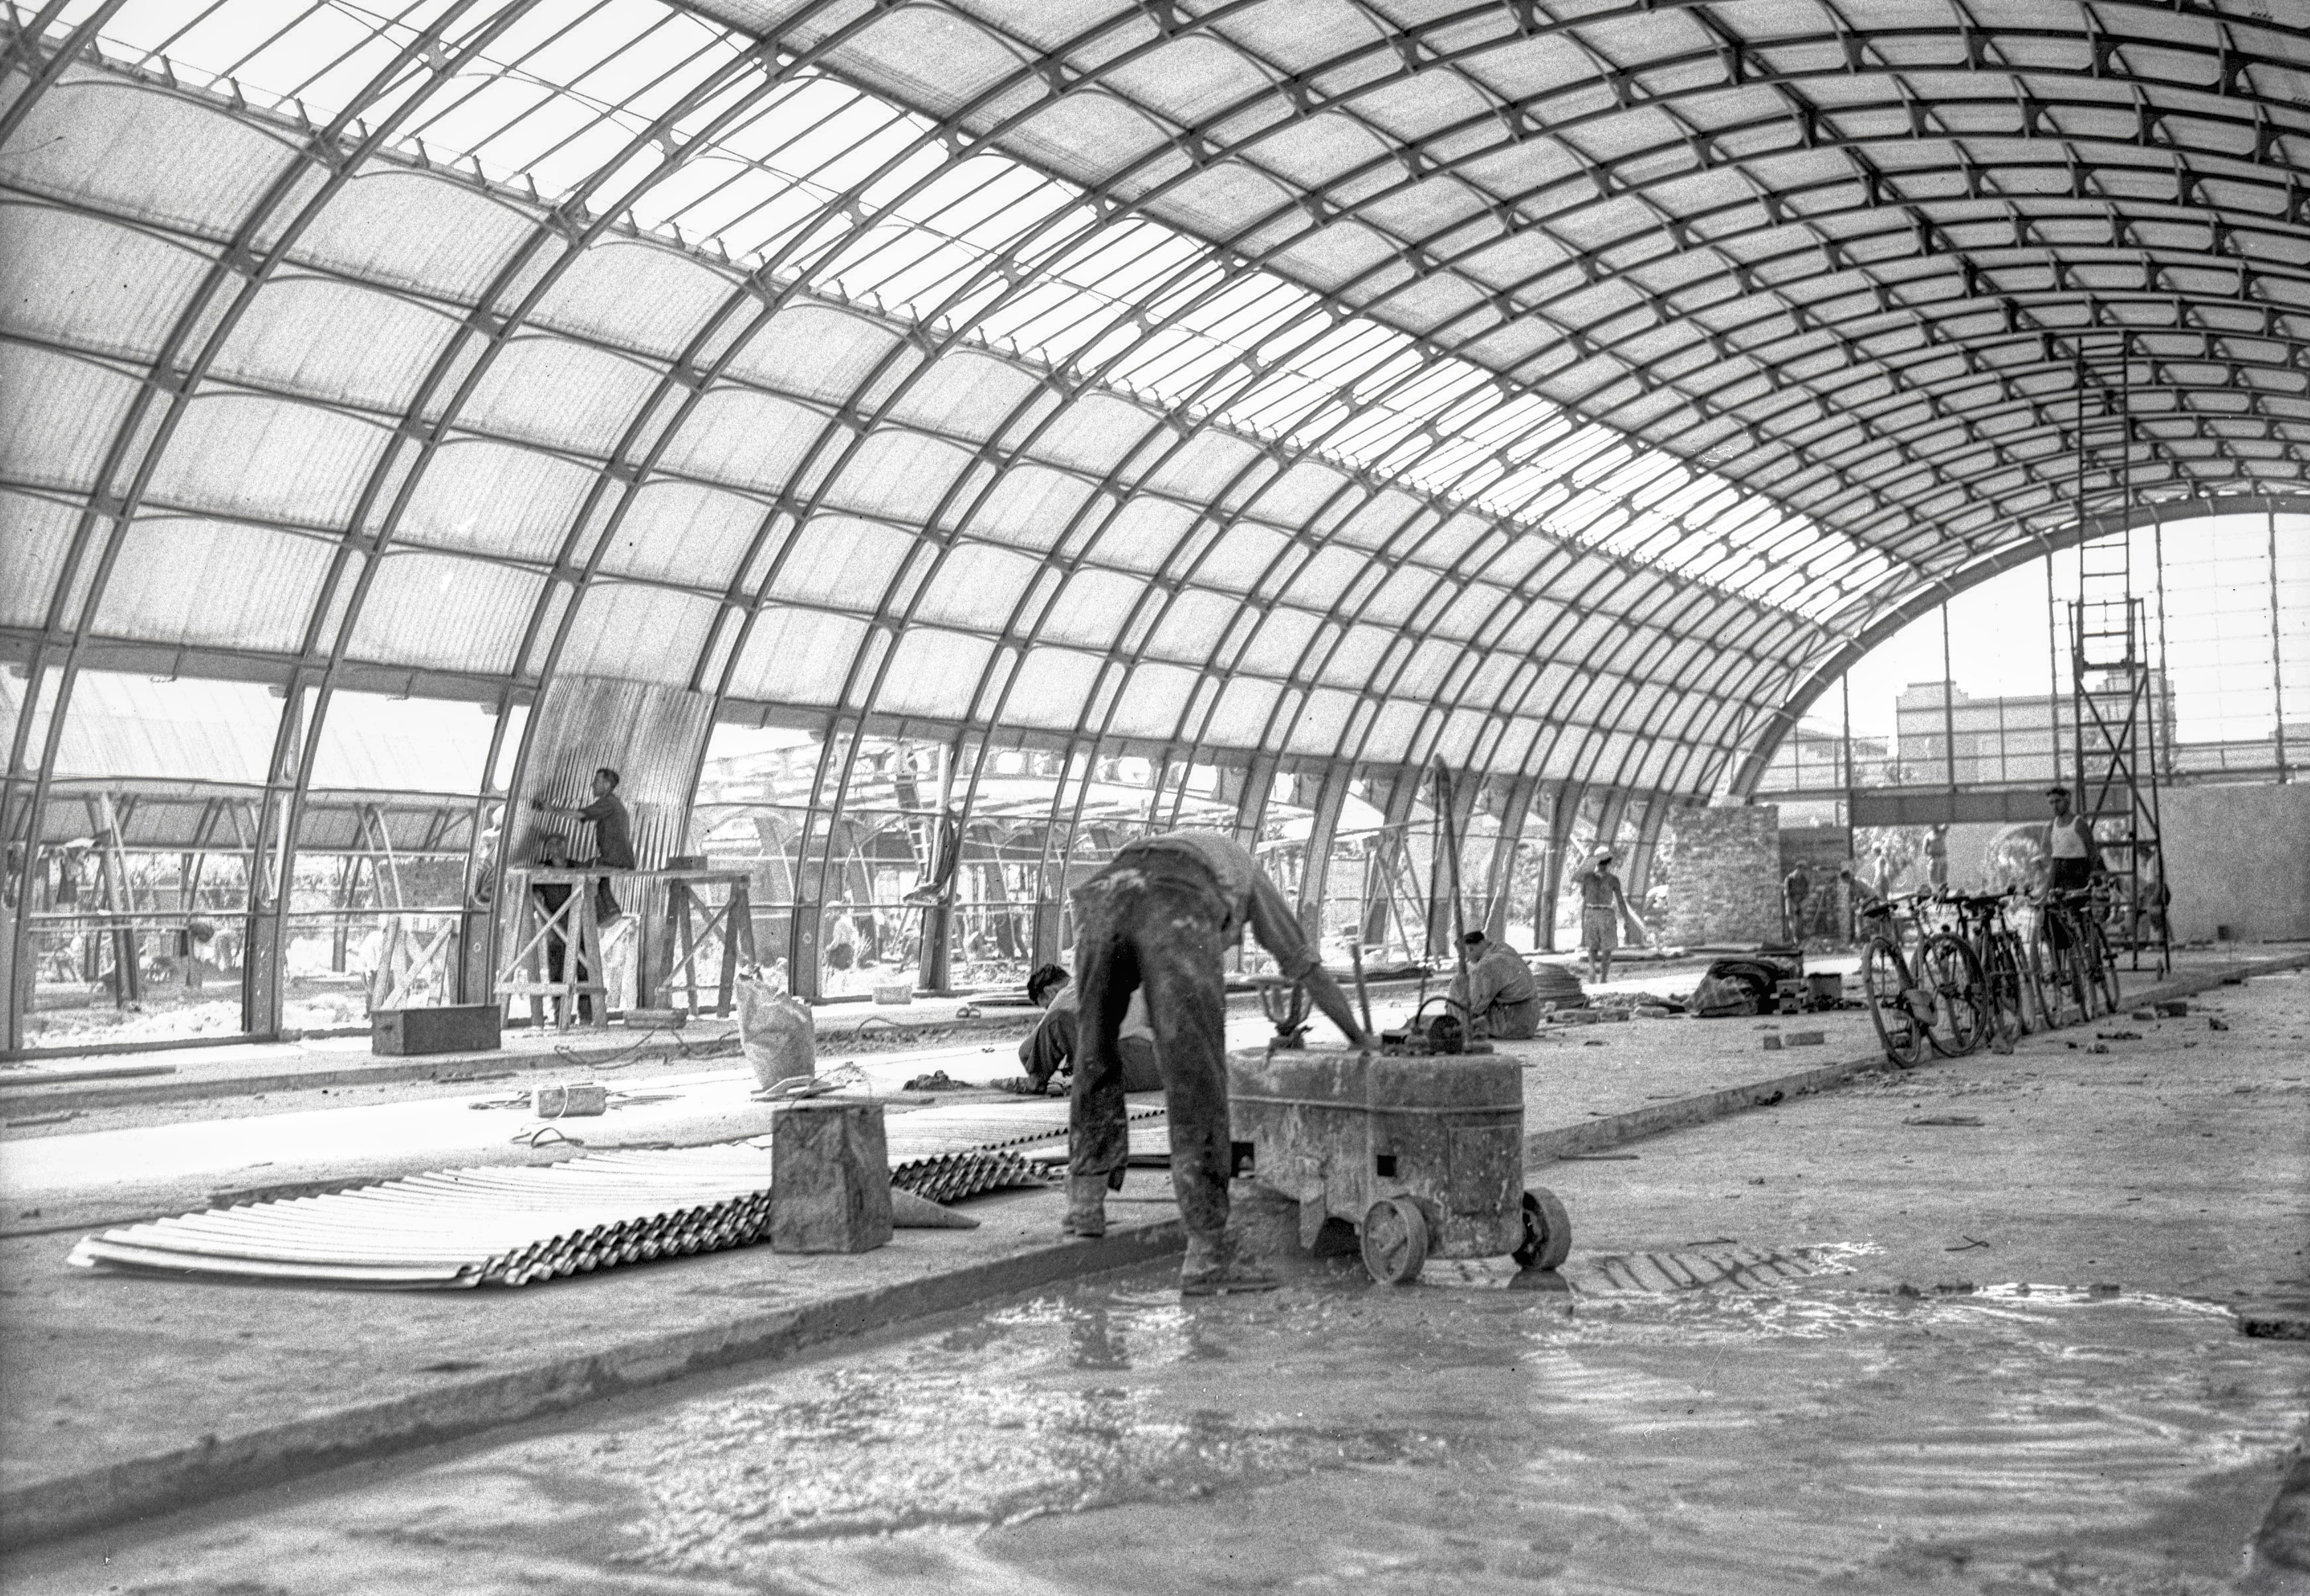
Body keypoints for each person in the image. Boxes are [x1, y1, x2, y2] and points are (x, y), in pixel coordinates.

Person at [1066, 829, 1368, 1295]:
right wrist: (1357, 1034)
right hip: (1174, 903)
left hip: (1103, 892)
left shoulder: (1195, 849)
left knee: (1093, 1053)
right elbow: (1304, 965)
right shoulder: (1250, 877)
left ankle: (1085, 1204)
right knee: (1196, 1073)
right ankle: (1208, 1252)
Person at [999, 963, 1162, 1094]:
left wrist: (1048, 1066)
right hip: (1156, 1071)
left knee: (1055, 1021)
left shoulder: (1071, 990)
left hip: (1123, 1070)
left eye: (1047, 1005)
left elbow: (1026, 1052)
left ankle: (1034, 1084)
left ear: (1049, 992)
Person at [531, 767, 635, 926]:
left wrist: (550, 809)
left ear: (607, 785)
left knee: (582, 870)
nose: (592, 785)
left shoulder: (609, 803)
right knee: (596, 868)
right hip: (616, 858)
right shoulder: (613, 804)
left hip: (616, 859)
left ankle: (605, 911)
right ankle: (610, 908)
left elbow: (579, 815)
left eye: (596, 782)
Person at [529, 833, 592, 1022]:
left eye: (559, 844)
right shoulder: (543, 869)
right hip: (554, 926)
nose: (555, 848)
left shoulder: (576, 867)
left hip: (578, 925)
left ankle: (586, 1016)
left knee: (584, 971)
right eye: (551, 844)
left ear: (566, 846)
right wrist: (544, 923)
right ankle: (559, 1016)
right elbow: (535, 898)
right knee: (556, 972)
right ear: (547, 849)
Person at [1448, 930, 1541, 1039]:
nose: (1467, 960)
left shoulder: (1486, 965)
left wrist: (1459, 1011)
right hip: (1530, 1021)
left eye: (1466, 955)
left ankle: (1454, 1029)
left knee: (1457, 982)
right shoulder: (1503, 948)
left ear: (1470, 948)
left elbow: (1476, 1006)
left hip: (1511, 1024)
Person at [1579, 849, 1637, 985]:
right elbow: (1621, 902)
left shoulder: (1587, 878)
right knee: (1607, 947)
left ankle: (1592, 967)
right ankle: (1603, 978)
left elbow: (1584, 896)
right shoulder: (1613, 880)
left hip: (1591, 912)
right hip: (1606, 914)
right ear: (1609, 862)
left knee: (1591, 946)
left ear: (1596, 862)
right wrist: (1627, 920)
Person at [2042, 786, 2102, 894]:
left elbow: (2093, 853)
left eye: (2058, 801)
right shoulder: (2051, 827)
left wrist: (2092, 877)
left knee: (2074, 907)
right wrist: (2048, 883)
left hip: (2077, 873)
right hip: (2058, 874)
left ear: (2067, 800)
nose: (2055, 806)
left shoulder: (2079, 824)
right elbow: (2049, 856)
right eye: (2051, 803)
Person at [1781, 861, 1814, 945]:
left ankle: (1799, 939)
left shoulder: (1804, 879)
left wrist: (1803, 902)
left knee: (1800, 919)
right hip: (1791, 901)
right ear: (1798, 868)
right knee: (1792, 919)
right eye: (1803, 869)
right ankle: (1792, 939)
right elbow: (1786, 894)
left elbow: (1807, 892)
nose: (1804, 871)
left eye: (1805, 869)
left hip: (1801, 902)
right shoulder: (1789, 878)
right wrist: (1794, 904)